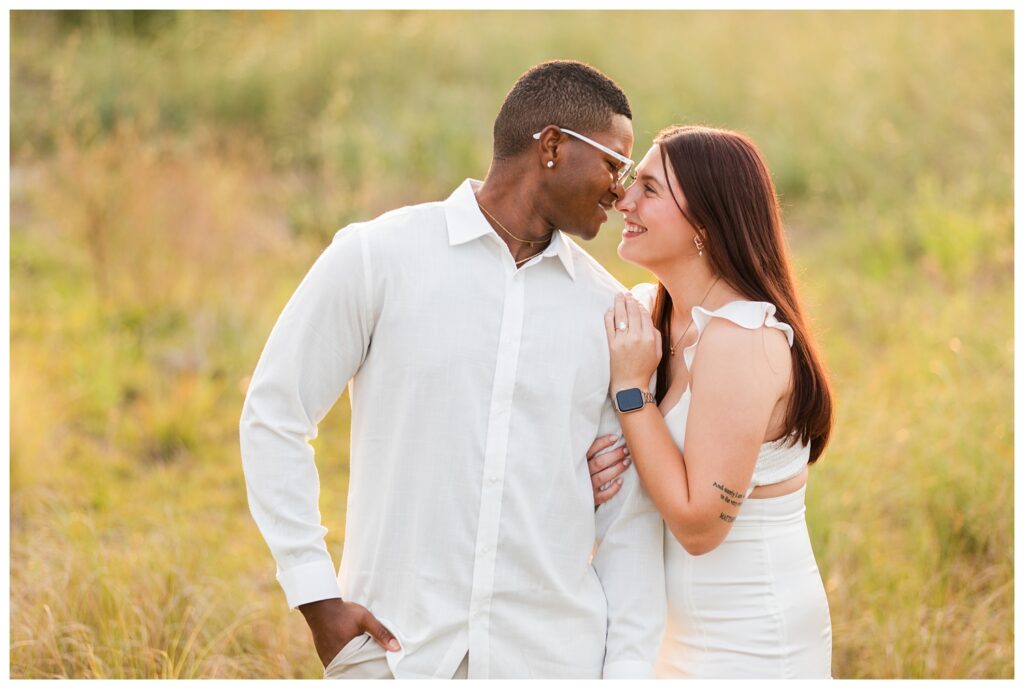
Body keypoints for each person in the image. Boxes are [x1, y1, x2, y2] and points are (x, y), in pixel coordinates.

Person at [238, 60, 665, 680]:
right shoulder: (378, 257)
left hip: (550, 661)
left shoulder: (609, 314)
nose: (620, 191)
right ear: (551, 146)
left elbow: (626, 524)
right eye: (613, 164)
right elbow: (274, 415)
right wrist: (317, 598)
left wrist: (624, 673)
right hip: (398, 656)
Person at [587, 125, 834, 678]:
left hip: (749, 640)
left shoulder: (741, 339)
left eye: (649, 189)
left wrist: (631, 393)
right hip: (663, 635)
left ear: (705, 222)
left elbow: (701, 526)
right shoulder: (649, 309)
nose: (623, 199)